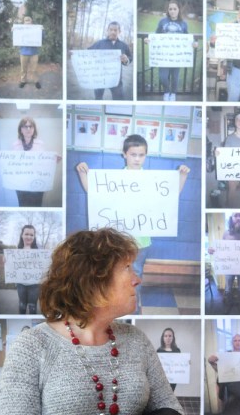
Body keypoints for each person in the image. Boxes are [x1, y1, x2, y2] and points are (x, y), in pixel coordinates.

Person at [0, 228, 183, 415]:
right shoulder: (32, 347)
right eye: (127, 269)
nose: (137, 279)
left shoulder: (137, 341)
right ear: (94, 278)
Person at [76, 134, 190, 313]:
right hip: (118, 242)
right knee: (114, 275)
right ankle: (115, 308)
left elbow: (171, 195)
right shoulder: (114, 178)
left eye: (141, 155)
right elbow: (93, 192)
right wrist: (83, 173)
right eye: (133, 154)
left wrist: (182, 177)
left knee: (135, 276)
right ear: (124, 154)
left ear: (146, 155)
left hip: (141, 243)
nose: (137, 159)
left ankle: (133, 310)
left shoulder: (153, 180)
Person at [150, 0, 198, 101]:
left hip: (177, 56)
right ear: (168, 10)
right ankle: (167, 92)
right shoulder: (162, 21)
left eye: (174, 9)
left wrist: (193, 43)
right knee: (163, 77)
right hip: (163, 55)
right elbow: (156, 34)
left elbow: (187, 37)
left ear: (178, 10)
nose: (172, 11)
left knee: (175, 77)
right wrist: (148, 39)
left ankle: (173, 94)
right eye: (170, 9)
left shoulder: (183, 23)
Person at [208, 212, 240, 312]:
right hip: (229, 266)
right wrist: (213, 250)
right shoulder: (226, 234)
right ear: (231, 218)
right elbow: (221, 249)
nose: (238, 218)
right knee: (228, 287)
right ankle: (228, 304)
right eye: (235, 216)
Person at [10, 116, 61, 207]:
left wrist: (54, 161)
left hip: (36, 183)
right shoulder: (15, 145)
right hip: (21, 184)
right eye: (25, 126)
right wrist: (2, 158)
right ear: (21, 129)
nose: (28, 129)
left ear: (34, 129)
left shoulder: (40, 144)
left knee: (37, 205)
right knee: (23, 206)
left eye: (31, 126)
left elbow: (44, 163)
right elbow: (13, 164)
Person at [85, 21, 133, 100]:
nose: (113, 32)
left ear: (119, 32)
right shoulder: (99, 43)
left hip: (116, 79)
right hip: (99, 78)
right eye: (111, 30)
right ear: (107, 31)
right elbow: (87, 53)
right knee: (98, 98)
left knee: (118, 99)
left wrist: (126, 60)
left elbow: (130, 58)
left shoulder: (123, 45)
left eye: (115, 30)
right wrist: (74, 54)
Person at [15, 225, 41, 315]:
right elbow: (13, 267)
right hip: (21, 284)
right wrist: (6, 261)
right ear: (22, 235)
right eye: (26, 234)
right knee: (22, 305)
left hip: (34, 284)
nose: (29, 237)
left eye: (31, 235)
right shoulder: (15, 252)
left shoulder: (39, 252)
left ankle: (33, 325)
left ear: (34, 237)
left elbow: (43, 266)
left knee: (33, 306)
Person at [17, 16, 41, 89]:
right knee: (23, 69)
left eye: (29, 21)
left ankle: (36, 81)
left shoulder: (36, 29)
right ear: (24, 22)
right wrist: (13, 32)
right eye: (26, 21)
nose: (27, 22)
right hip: (23, 52)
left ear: (31, 22)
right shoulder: (20, 30)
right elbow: (15, 38)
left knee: (34, 69)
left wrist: (42, 31)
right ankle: (23, 81)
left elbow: (42, 37)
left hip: (34, 53)